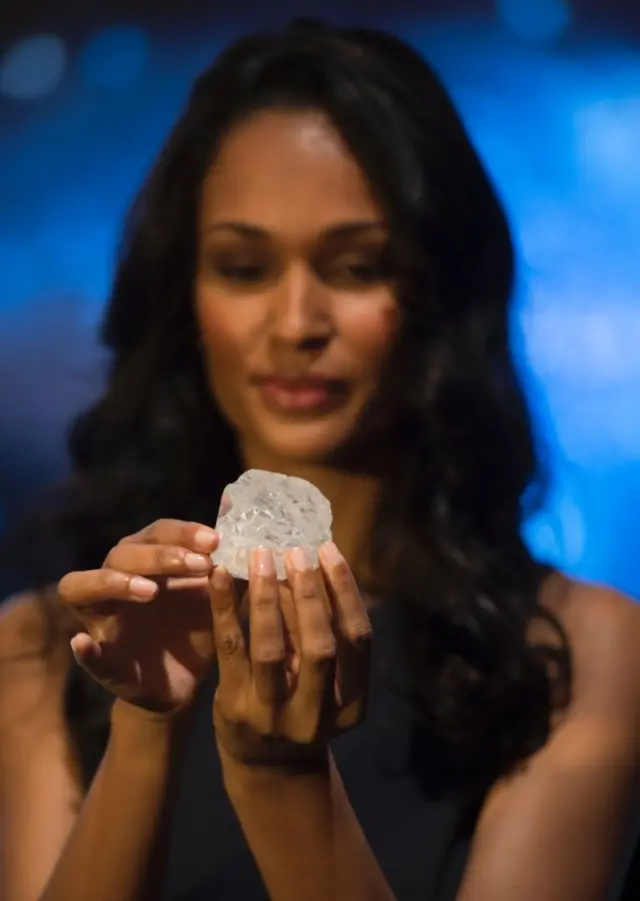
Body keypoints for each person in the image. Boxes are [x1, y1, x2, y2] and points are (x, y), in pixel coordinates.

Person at [1, 17, 639, 901]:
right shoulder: (42, 645)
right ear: (184, 294)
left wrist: (283, 780)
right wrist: (146, 726)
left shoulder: (581, 649)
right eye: (243, 267)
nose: (297, 324)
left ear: (438, 291)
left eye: (355, 266)